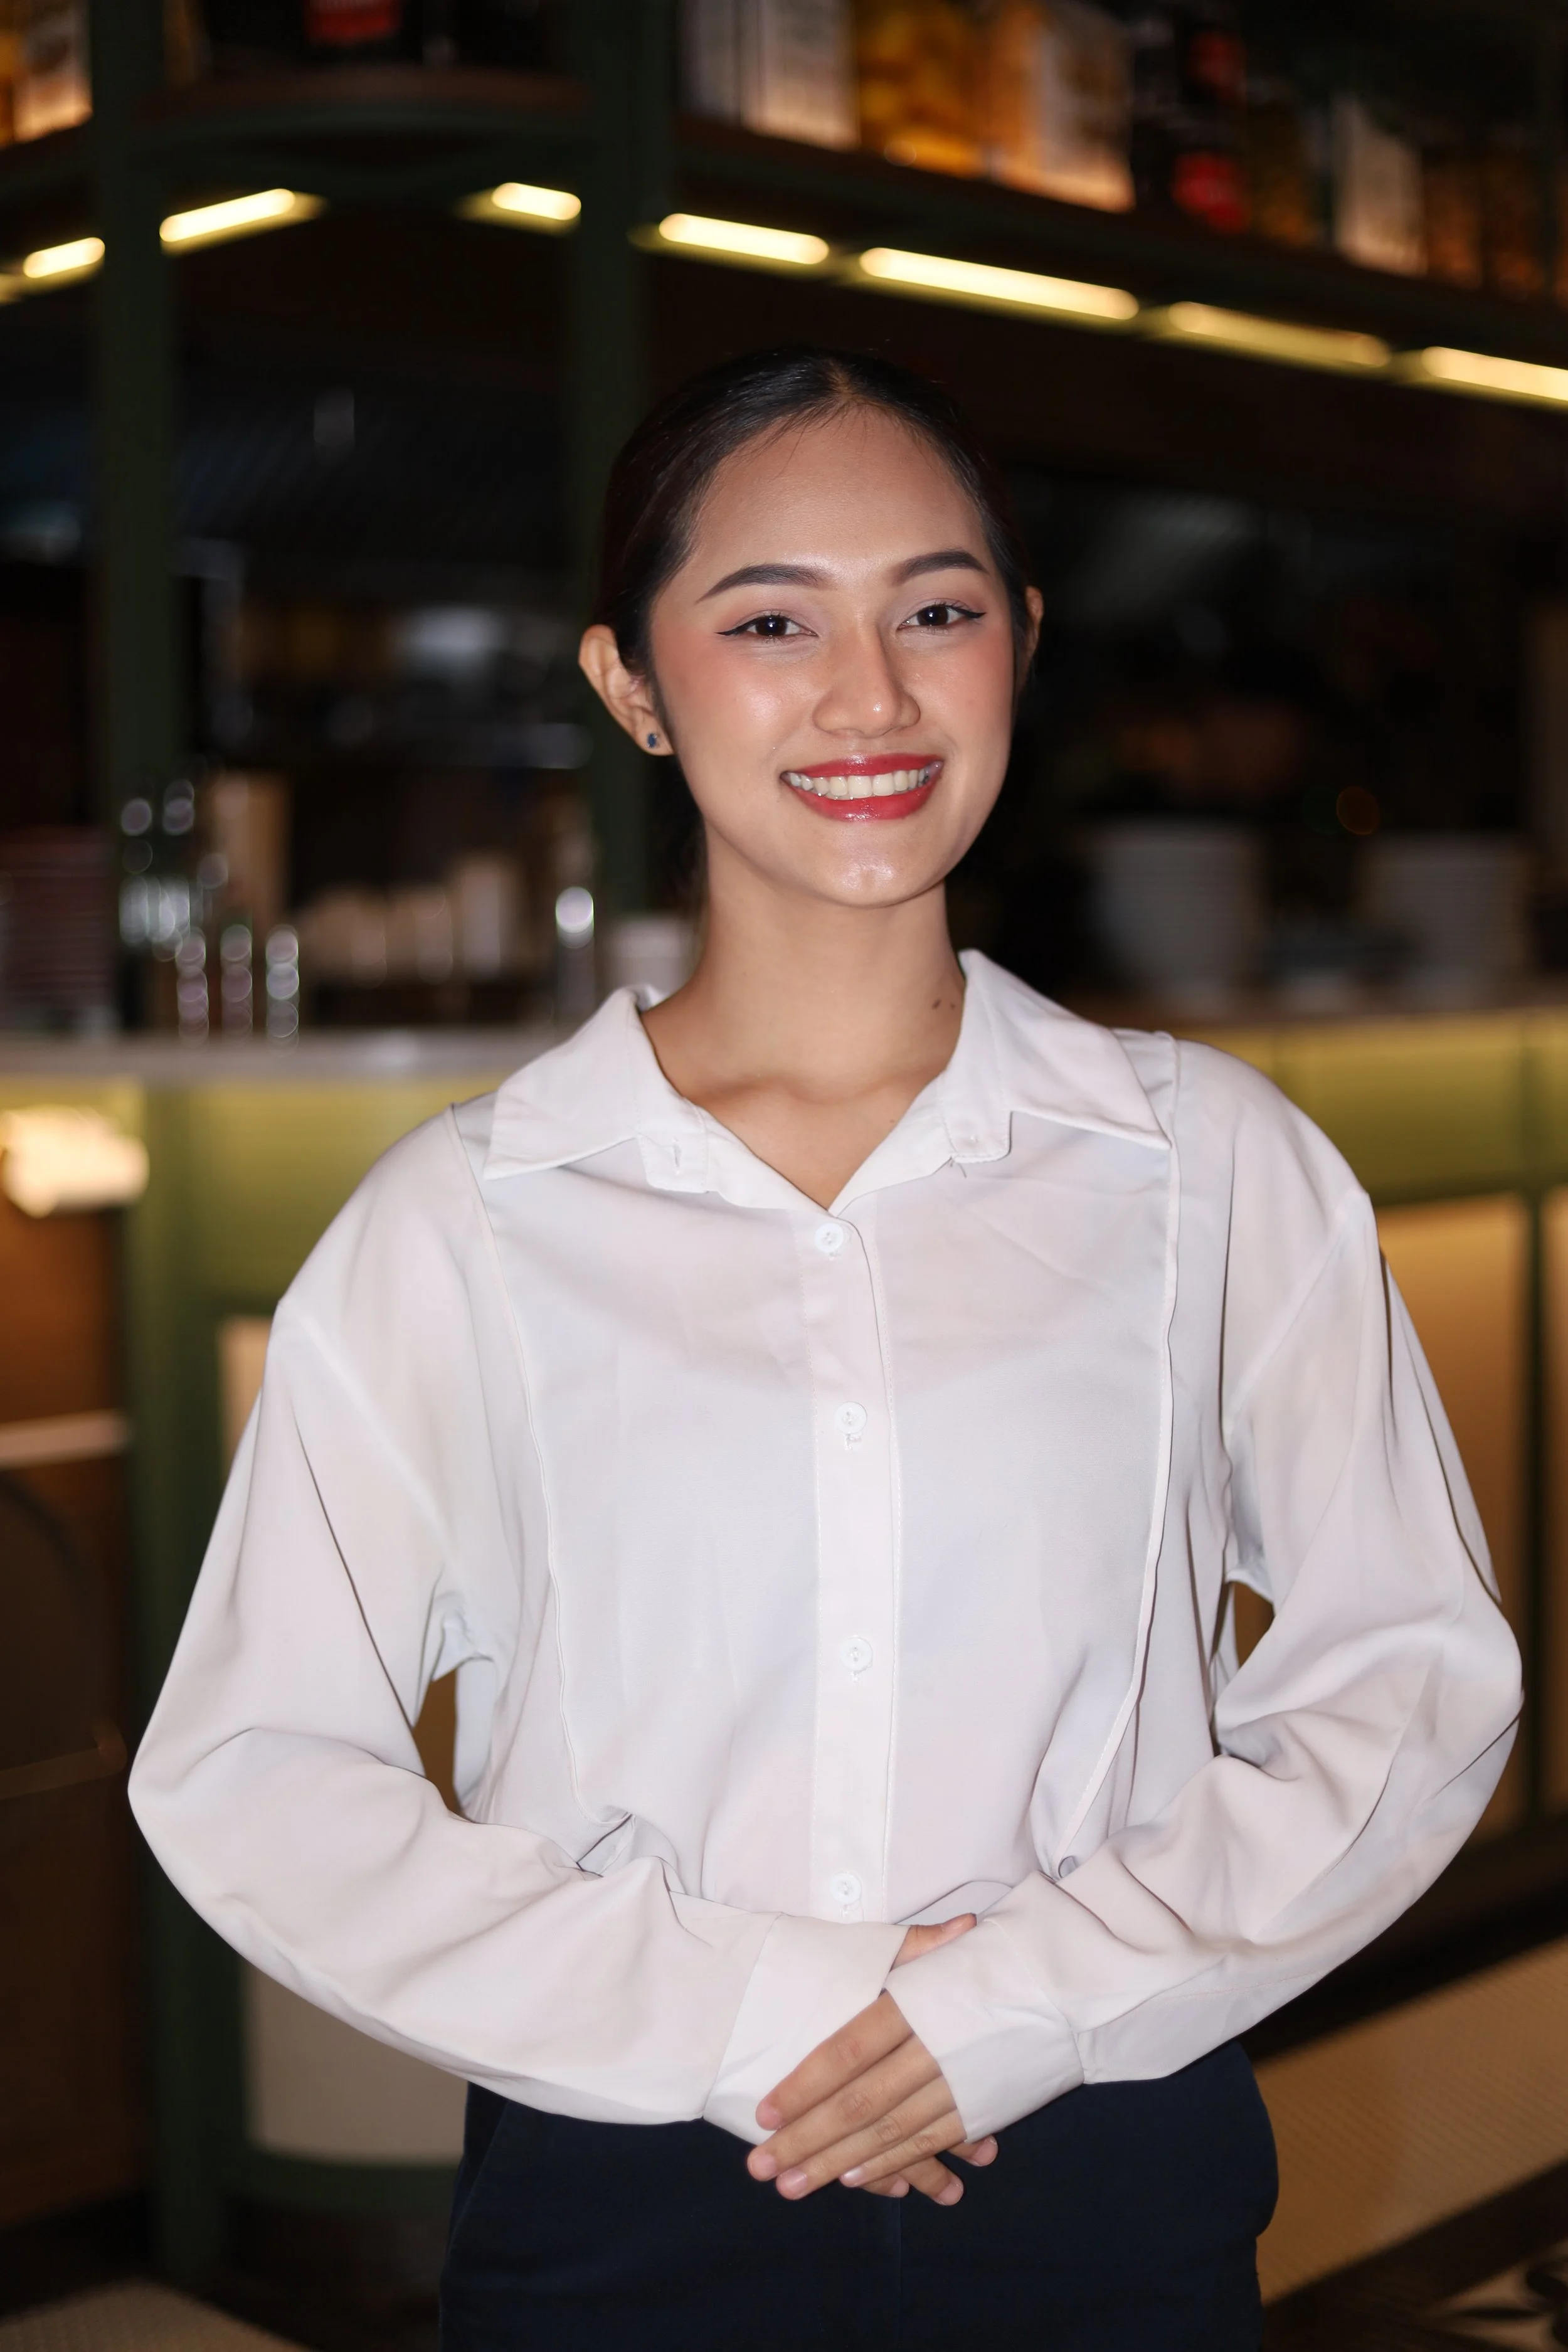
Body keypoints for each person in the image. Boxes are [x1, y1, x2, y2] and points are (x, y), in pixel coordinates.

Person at [130, 347, 1522, 2351]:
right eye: (772, 618)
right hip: (625, 2177)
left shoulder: (1205, 1165)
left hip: (1103, 2142)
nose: (867, 697)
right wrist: (753, 2011)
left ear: (1018, 647)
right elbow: (255, 1765)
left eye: (934, 611)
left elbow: (1409, 1671)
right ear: (630, 680)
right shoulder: (474, 1212)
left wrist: (1023, 1996)